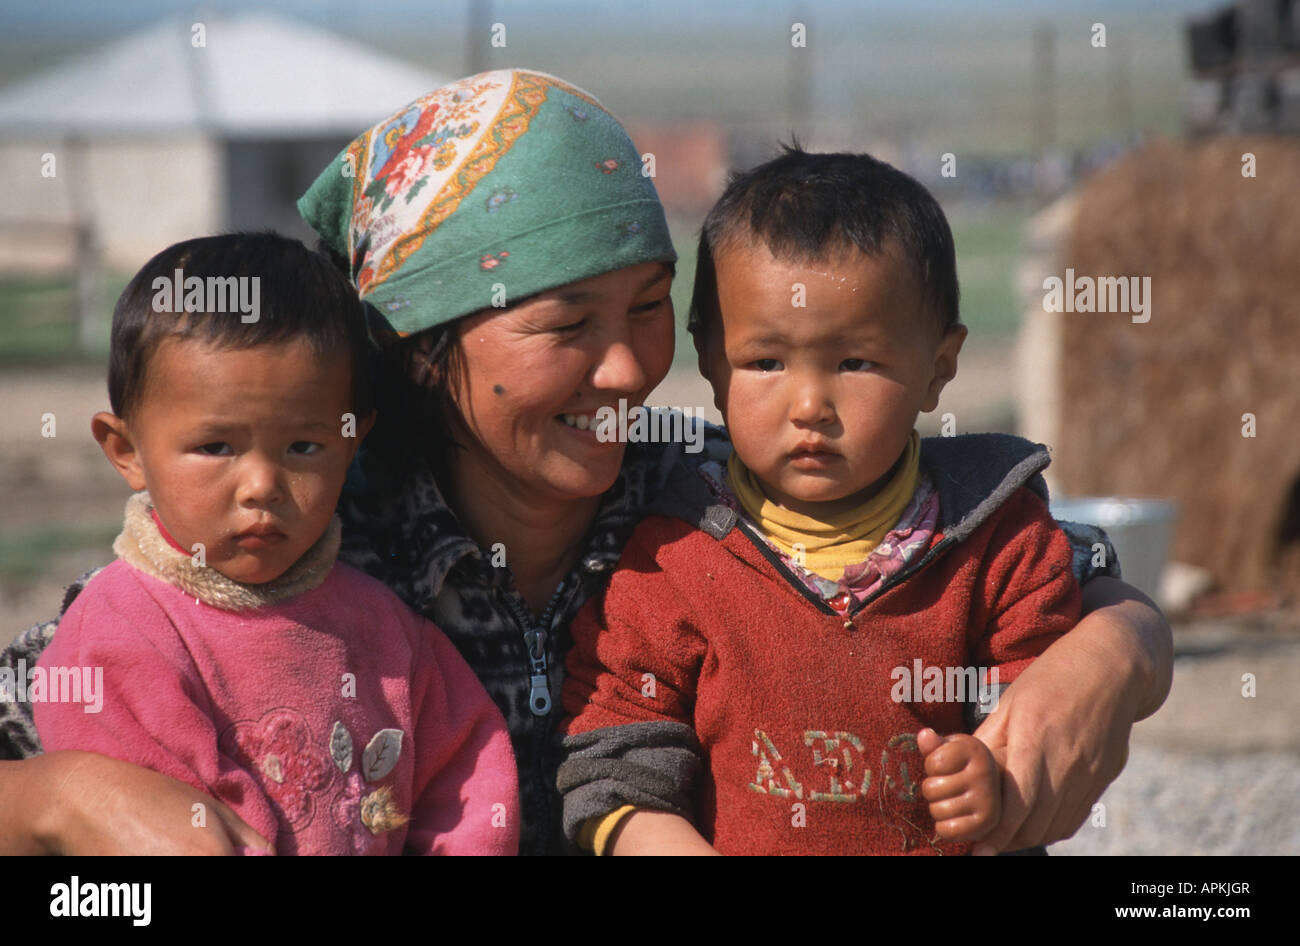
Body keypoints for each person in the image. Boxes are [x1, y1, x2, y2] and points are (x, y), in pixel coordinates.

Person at [0, 69, 1172, 857]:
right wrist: (61, 798)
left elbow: (1059, 559)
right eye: (566, 326)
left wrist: (1114, 653)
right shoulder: (298, 533)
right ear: (420, 351)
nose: (627, 373)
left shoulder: (710, 491)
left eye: (652, 309)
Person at [559, 147, 1081, 855]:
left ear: (940, 367)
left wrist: (1002, 770)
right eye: (765, 362)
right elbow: (615, 764)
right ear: (711, 362)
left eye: (855, 362)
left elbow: (1051, 703)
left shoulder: (997, 543)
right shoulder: (674, 560)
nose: (809, 406)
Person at [29, 233, 519, 856]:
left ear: (353, 440)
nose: (262, 486)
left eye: (304, 447)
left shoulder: (386, 629)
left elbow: (468, 781)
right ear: (125, 450)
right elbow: (157, 831)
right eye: (216, 447)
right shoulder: (115, 637)